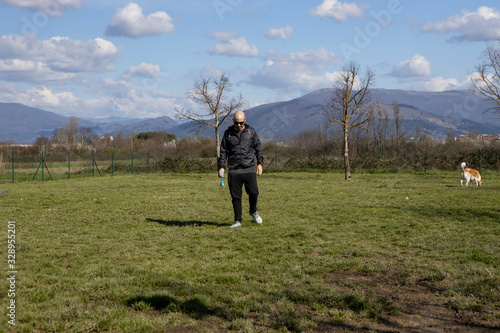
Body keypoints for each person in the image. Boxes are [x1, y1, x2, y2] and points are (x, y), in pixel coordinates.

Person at [218, 110, 263, 228]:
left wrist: (260, 164)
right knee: (236, 197)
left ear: (245, 120)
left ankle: (253, 211)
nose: (238, 125)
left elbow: (258, 148)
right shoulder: (228, 134)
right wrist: (221, 166)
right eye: (236, 123)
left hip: (249, 168)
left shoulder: (251, 132)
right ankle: (238, 221)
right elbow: (223, 151)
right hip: (234, 170)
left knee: (254, 192)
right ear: (233, 121)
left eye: (241, 123)